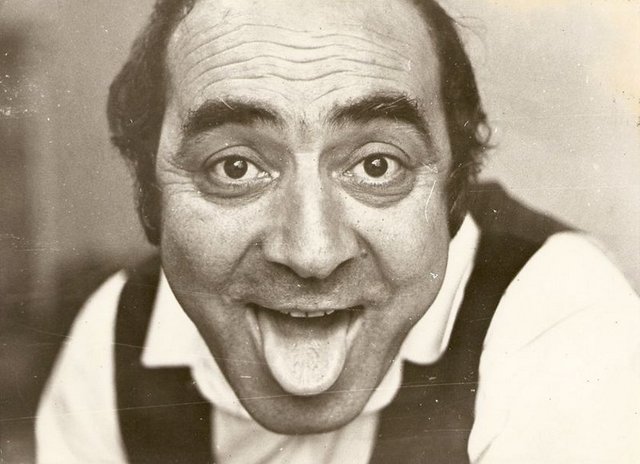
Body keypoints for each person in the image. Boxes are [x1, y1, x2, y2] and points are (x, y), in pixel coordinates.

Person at [36, 0, 640, 462]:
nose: (312, 253)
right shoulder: (116, 337)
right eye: (235, 167)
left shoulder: (558, 315)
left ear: (454, 194)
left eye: (377, 165)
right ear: (150, 196)